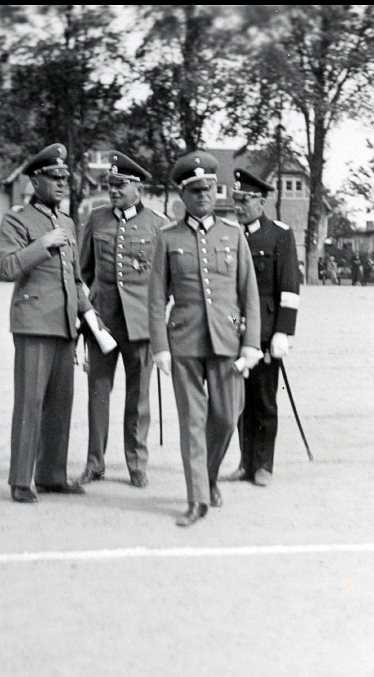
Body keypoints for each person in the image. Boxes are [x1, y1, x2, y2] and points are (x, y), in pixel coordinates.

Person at [148, 150, 261, 526]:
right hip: (184, 340)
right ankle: (197, 497)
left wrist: (251, 343)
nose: (204, 196)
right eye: (196, 190)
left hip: (227, 339)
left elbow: (249, 293)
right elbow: (155, 297)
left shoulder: (233, 235)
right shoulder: (168, 238)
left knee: (227, 418)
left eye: (210, 189)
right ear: (184, 195)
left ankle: (209, 475)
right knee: (193, 423)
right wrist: (160, 347)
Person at [0, 143, 94, 503]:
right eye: (54, 178)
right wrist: (42, 244)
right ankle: (21, 479)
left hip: (65, 323)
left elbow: (74, 276)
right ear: (36, 180)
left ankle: (52, 474)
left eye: (65, 178)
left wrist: (88, 314)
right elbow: (6, 267)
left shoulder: (68, 222)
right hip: (34, 322)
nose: (61, 184)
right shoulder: (17, 219)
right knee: (30, 402)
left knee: (60, 403)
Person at [78, 150, 168, 489]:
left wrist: (156, 321)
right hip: (103, 324)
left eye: (121, 184)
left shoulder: (157, 225)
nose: (114, 190)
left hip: (141, 325)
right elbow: (83, 273)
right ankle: (94, 464)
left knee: (139, 400)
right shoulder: (97, 220)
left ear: (139, 189)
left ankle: (136, 464)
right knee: (98, 395)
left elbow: (163, 283)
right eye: (110, 184)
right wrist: (86, 315)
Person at [222, 168, 301, 488]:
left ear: (262, 201)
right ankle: (245, 462)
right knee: (241, 401)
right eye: (236, 199)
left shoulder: (280, 234)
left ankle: (263, 465)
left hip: (267, 333)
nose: (239, 206)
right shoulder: (231, 234)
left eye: (246, 200)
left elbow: (290, 288)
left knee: (265, 401)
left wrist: (283, 331)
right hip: (236, 332)